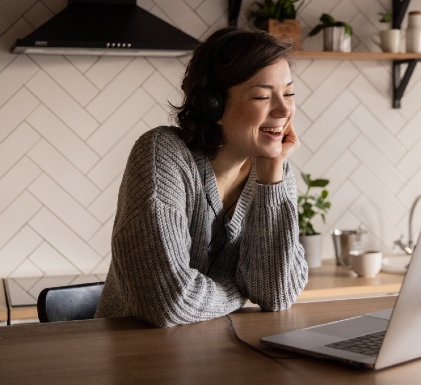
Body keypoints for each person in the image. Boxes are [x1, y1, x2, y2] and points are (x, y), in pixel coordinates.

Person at [95, 28, 308, 327]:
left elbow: (276, 295)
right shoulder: (162, 154)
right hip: (136, 359)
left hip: (219, 357)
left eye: (289, 93)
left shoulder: (275, 172)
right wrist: (238, 289)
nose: (284, 110)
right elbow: (169, 301)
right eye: (262, 96)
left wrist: (272, 179)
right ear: (213, 105)